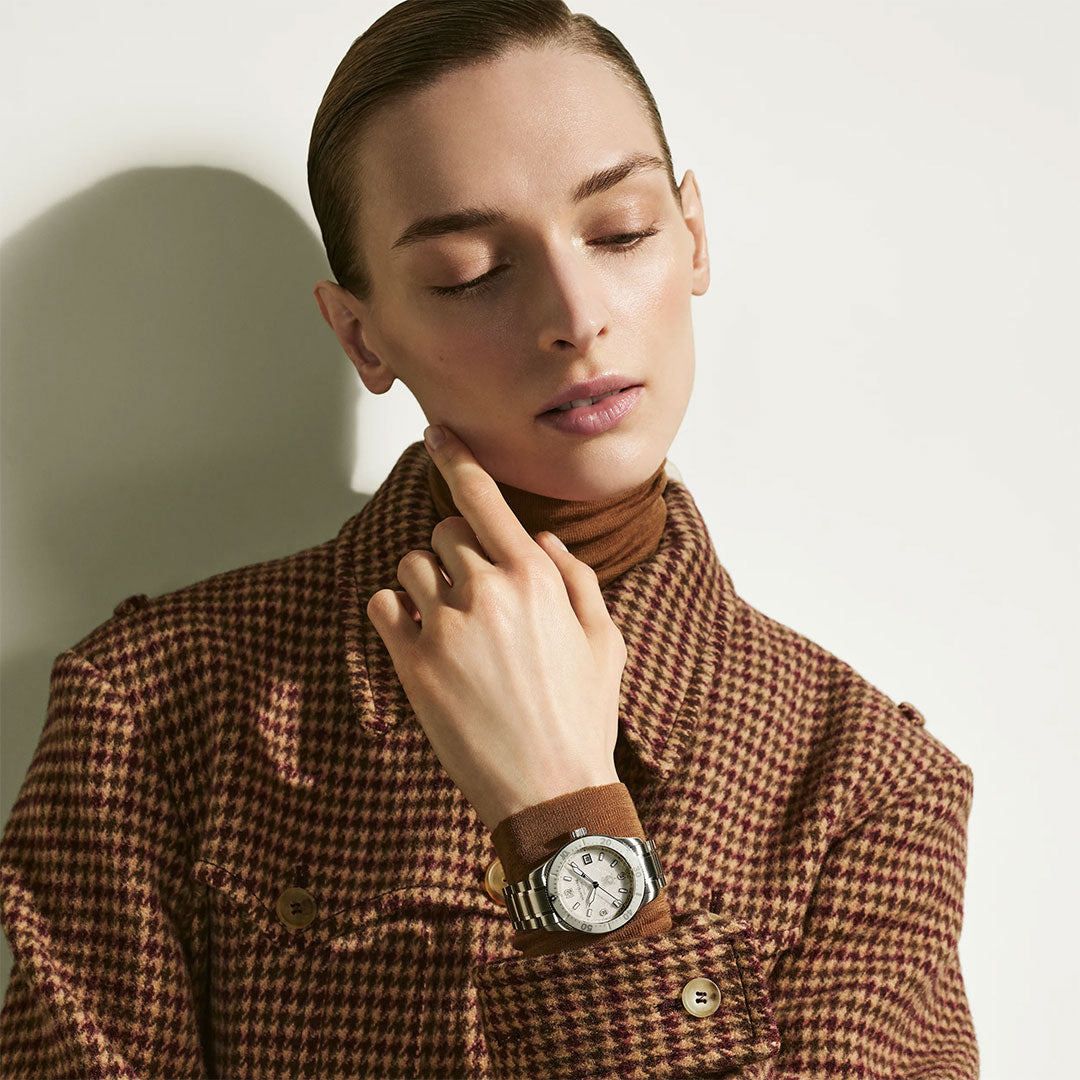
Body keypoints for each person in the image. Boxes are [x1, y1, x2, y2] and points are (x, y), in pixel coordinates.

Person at [0, 1, 978, 1077]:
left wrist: (563, 819)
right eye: (470, 271)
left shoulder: (863, 789)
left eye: (620, 232)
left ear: (694, 237)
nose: (575, 311)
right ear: (361, 334)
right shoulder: (151, 713)